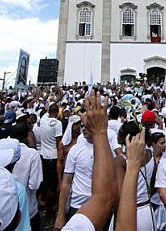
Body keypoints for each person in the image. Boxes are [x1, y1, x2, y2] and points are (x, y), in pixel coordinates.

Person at [61, 90, 118, 231]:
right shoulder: (75, 149)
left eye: (87, 125)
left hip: (102, 207)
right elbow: (66, 182)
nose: (84, 128)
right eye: (82, 126)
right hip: (78, 205)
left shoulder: (106, 149)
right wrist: (60, 214)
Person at [10, 123, 43, 231]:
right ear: (26, 136)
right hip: (28, 209)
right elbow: (34, 185)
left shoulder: (2, 151)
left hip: (7, 209)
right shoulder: (32, 154)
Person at [39, 103, 63, 225]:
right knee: (52, 188)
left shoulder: (43, 120)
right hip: (53, 157)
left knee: (45, 183)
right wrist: (61, 159)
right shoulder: (57, 124)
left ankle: (42, 203)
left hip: (43, 156)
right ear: (57, 112)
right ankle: (48, 215)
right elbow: (59, 142)